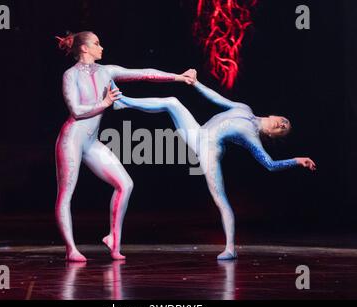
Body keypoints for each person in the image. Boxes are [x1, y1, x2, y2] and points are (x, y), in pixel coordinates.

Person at [111, 79, 316, 260]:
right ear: (274, 114)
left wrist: (296, 161)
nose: (282, 125)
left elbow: (269, 165)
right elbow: (217, 98)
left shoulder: (251, 136)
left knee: (221, 199)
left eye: (283, 129)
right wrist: (196, 83)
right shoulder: (244, 109)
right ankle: (123, 101)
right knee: (172, 102)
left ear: (272, 136)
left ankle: (230, 248)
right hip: (198, 133)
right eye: (283, 121)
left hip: (209, 150)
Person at [55, 31, 196, 261]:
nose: (102, 47)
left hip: (91, 142)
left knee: (125, 184)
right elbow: (77, 111)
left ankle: (113, 239)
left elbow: (145, 74)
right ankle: (71, 248)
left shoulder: (106, 71)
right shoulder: (70, 75)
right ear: (84, 48)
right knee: (66, 194)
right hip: (71, 139)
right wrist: (105, 103)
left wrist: (178, 77)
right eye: (97, 43)